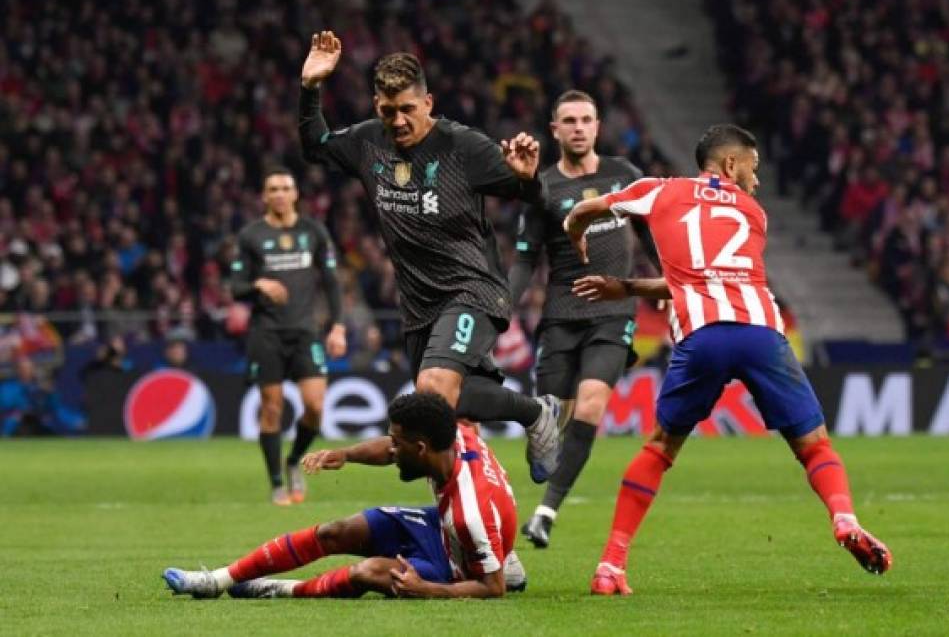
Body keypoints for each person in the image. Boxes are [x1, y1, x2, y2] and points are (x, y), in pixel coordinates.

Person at [562, 124, 892, 595]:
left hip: (703, 335)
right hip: (761, 332)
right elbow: (715, 275)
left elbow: (584, 211)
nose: (756, 182)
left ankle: (611, 565)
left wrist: (579, 238)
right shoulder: (753, 212)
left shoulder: (658, 191)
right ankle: (843, 518)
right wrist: (632, 287)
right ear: (731, 165)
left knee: (660, 448)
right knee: (815, 446)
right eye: (753, 169)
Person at [298, 31, 562, 483]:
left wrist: (528, 181)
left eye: (407, 109)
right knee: (438, 420)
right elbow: (315, 146)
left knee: (432, 391)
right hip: (419, 307)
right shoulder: (367, 143)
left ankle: (535, 416)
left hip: (473, 289)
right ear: (375, 105)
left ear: (428, 103)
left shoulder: (465, 147)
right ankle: (524, 434)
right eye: (387, 110)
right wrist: (310, 89)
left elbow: (542, 202)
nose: (397, 120)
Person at [163, 392, 526, 600]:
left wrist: (428, 589)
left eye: (397, 445)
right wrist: (348, 455)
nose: (391, 450)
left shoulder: (470, 511)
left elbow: (492, 589)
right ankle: (218, 580)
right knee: (334, 532)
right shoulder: (452, 438)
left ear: (420, 447)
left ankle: (283, 589)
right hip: (442, 531)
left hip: (453, 567)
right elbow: (391, 449)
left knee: (367, 572)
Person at [510, 90, 657, 548]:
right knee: (549, 421)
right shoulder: (544, 187)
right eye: (568, 120)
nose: (578, 127)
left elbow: (652, 235)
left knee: (592, 404)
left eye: (586, 119)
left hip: (613, 313)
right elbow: (524, 258)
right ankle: (544, 448)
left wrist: (671, 283)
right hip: (561, 314)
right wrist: (502, 307)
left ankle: (545, 513)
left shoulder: (623, 176)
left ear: (597, 126)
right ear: (554, 129)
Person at [230, 167, 347, 506]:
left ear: (295, 194)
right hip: (266, 333)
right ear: (264, 197)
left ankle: (294, 459)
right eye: (273, 189)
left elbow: (331, 282)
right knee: (271, 408)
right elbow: (235, 287)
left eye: (285, 188)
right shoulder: (251, 236)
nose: (280, 194)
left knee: (315, 406)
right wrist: (258, 285)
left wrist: (337, 326)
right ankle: (277, 483)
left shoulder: (313, 232)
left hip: (305, 332)